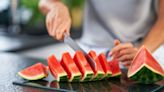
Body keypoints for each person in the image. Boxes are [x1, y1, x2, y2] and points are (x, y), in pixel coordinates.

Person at [39, 0, 164, 68]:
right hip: (91, 54)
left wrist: (142, 52)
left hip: (143, 49)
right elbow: (44, 2)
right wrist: (55, 6)